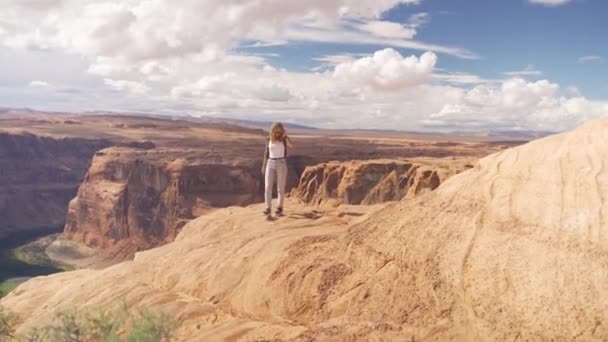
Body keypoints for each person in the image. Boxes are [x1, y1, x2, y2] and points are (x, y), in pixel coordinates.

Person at [261, 123, 292, 216]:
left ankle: (279, 207)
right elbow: (266, 153)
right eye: (276, 130)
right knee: (268, 186)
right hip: (270, 162)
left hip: (281, 162)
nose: (278, 132)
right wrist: (264, 165)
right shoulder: (268, 139)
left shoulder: (283, 139)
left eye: (280, 130)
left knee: (281, 187)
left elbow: (292, 145)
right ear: (273, 130)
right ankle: (268, 208)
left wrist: (286, 136)